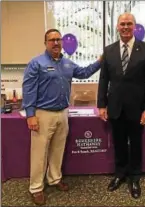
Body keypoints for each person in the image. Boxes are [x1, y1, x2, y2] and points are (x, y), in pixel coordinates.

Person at [22, 28, 101, 205]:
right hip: (43, 114)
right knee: (39, 154)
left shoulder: (67, 64)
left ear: (62, 42)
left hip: (63, 113)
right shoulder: (36, 63)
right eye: (52, 40)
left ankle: (54, 179)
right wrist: (30, 115)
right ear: (45, 43)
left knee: (58, 150)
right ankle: (36, 187)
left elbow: (84, 73)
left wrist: (100, 61)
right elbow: (28, 90)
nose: (56, 43)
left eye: (58, 39)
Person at [97, 13, 145, 199]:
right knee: (119, 143)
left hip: (137, 108)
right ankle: (120, 174)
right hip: (115, 107)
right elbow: (104, 80)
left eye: (129, 24)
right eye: (122, 24)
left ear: (134, 26)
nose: (125, 27)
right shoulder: (109, 50)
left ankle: (135, 178)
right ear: (117, 26)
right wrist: (101, 105)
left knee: (136, 144)